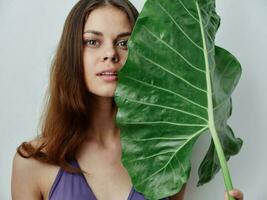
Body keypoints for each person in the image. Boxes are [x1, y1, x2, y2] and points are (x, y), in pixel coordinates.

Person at [11, 0, 244, 200]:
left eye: (124, 43)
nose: (110, 53)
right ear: (72, 53)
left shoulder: (166, 154)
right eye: (93, 42)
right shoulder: (33, 162)